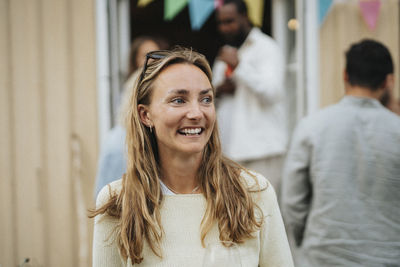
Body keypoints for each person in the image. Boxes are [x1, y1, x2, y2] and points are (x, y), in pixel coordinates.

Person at [91, 47, 294, 266]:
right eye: (179, 100)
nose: (197, 113)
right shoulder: (117, 202)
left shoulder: (254, 192)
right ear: (145, 114)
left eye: (206, 99)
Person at [281, 39, 400, 266]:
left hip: (323, 256)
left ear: (345, 75)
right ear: (388, 82)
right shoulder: (397, 130)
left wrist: (304, 241)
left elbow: (292, 202)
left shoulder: (312, 126)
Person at [213, 0, 287, 199]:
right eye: (220, 23)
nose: (224, 28)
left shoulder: (266, 48)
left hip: (261, 151)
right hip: (230, 152)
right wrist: (219, 90)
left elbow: (272, 92)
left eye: (230, 21)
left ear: (245, 17)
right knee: (236, 220)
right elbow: (210, 96)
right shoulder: (226, 53)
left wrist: (239, 67)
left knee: (265, 217)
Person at [94, 36, 161, 197]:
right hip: (126, 142)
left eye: (156, 55)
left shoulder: (154, 80)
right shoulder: (138, 80)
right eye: (146, 55)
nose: (152, 60)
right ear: (135, 59)